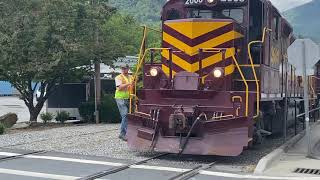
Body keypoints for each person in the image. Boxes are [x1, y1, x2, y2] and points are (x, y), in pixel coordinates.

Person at [115, 64, 133, 141]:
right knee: (125, 114)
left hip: (129, 98)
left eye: (125, 68)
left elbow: (133, 86)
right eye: (122, 68)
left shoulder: (131, 77)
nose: (123, 70)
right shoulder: (118, 77)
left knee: (129, 115)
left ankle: (128, 133)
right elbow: (119, 88)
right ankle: (122, 134)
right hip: (120, 98)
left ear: (128, 69)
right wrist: (128, 84)